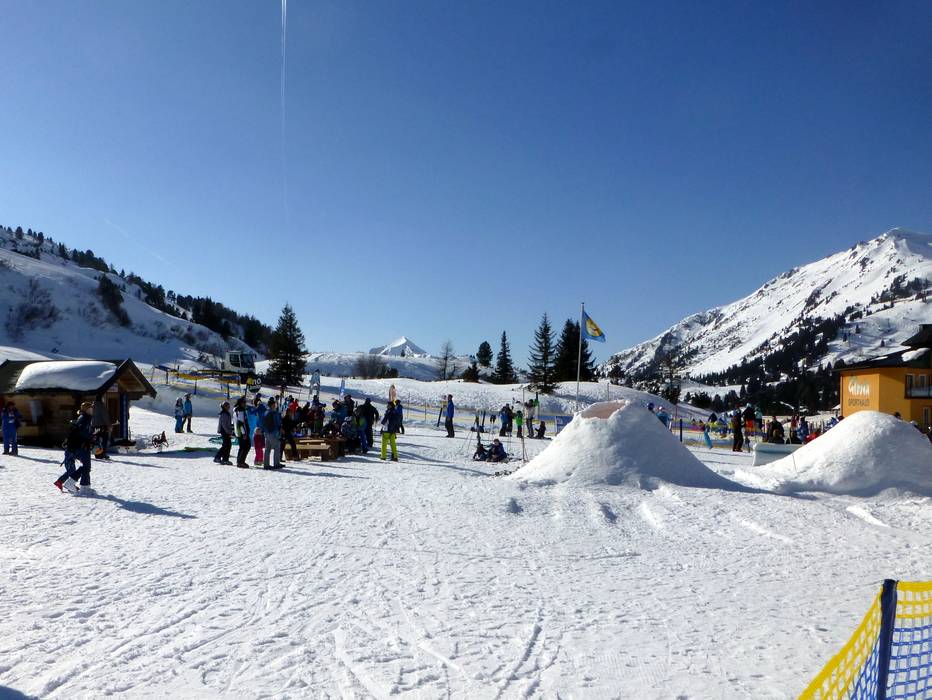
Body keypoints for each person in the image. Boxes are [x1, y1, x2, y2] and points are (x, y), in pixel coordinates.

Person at [55, 402, 94, 492]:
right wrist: (90, 438)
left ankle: (84, 485)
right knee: (85, 466)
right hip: (81, 446)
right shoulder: (84, 418)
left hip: (79, 446)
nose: (92, 410)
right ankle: (75, 484)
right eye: (91, 408)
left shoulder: (85, 418)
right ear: (87, 409)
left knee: (85, 466)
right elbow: (82, 433)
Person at [261, 398, 283, 469]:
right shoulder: (274, 413)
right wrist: (279, 429)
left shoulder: (265, 412)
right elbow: (277, 422)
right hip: (273, 432)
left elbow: (262, 423)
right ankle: (276, 463)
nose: (275, 406)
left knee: (267, 449)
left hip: (266, 432)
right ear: (272, 405)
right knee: (277, 447)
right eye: (274, 404)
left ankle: (266, 464)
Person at [91, 394, 111, 460]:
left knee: (96, 440)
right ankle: (103, 454)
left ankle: (97, 454)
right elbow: (105, 417)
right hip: (102, 426)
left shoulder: (92, 406)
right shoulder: (101, 406)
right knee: (104, 440)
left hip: (94, 426)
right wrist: (109, 425)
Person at [234, 397, 251, 468]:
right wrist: (244, 433)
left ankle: (239, 461)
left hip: (238, 432)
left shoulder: (236, 410)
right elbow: (240, 423)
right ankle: (241, 462)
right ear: (241, 403)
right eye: (244, 402)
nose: (245, 404)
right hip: (242, 432)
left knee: (242, 447)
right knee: (246, 446)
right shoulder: (240, 411)